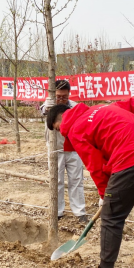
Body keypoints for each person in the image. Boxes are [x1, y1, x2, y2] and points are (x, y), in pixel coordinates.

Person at [46, 98, 134, 268]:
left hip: (131, 157)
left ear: (61, 118)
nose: (61, 133)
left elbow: (95, 166)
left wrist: (105, 194)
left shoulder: (75, 129)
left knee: (111, 217)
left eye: (57, 128)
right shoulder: (103, 108)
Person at [41, 80, 88, 224]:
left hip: (74, 149)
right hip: (56, 149)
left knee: (76, 180)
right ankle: (58, 211)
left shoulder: (74, 107)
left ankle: (79, 212)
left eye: (64, 96)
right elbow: (42, 110)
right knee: (57, 181)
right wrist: (48, 107)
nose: (61, 99)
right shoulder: (49, 104)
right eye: (58, 96)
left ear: (69, 94)